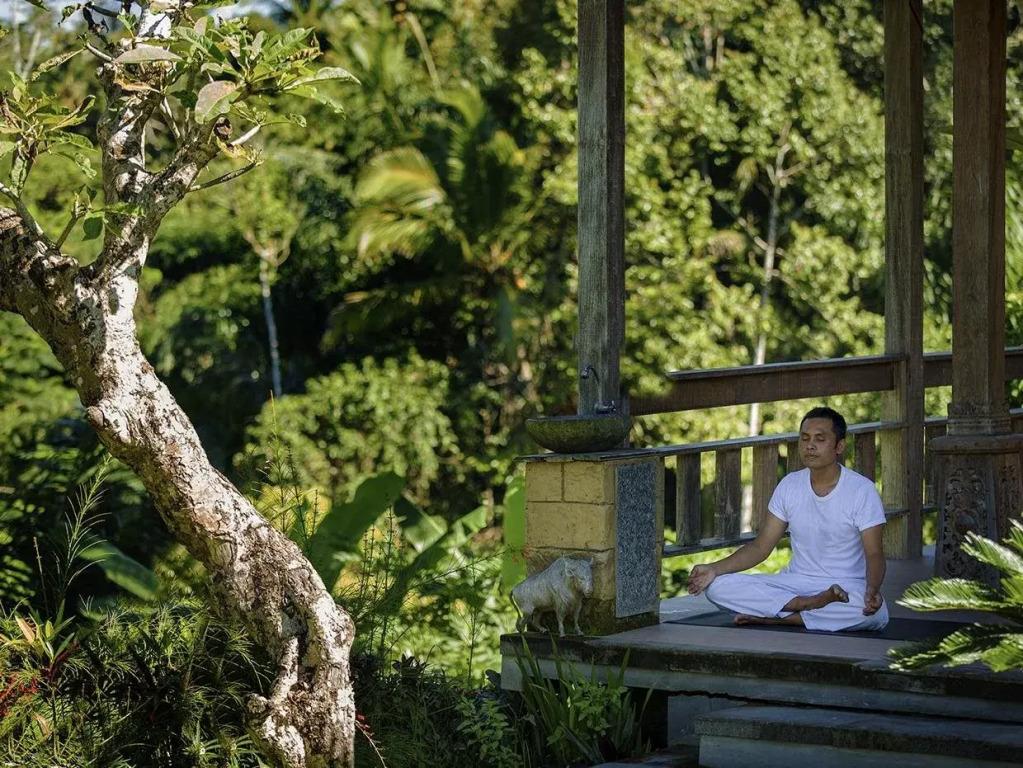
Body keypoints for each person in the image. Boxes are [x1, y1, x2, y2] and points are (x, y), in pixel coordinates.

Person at [687, 406, 889, 631]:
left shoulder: (862, 490)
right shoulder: (790, 485)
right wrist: (713, 569)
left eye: (820, 439)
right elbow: (760, 547)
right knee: (718, 587)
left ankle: (779, 617)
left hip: (845, 586)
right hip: (796, 583)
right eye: (805, 438)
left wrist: (872, 590)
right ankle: (805, 606)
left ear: (839, 446)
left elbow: (874, 553)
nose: (810, 445)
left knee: (873, 613)